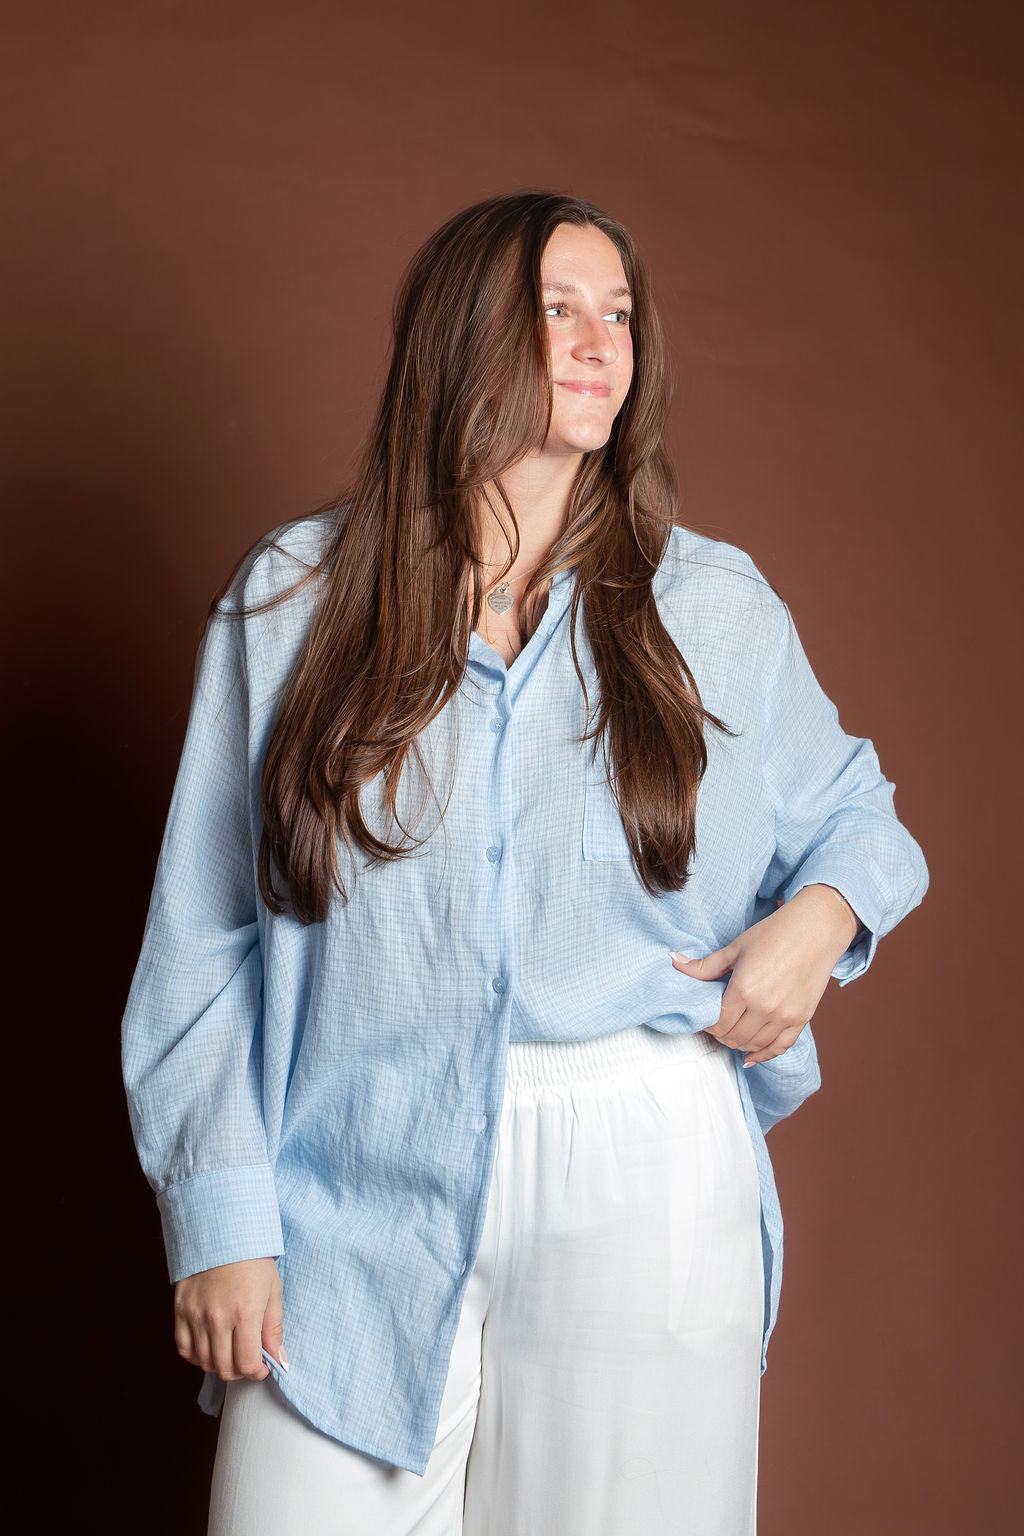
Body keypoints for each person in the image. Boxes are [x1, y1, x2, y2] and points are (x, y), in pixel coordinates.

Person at [121, 189, 929, 1536]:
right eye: (557, 309)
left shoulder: (717, 608)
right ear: (465, 335)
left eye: (618, 312)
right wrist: (220, 1214)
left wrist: (824, 917)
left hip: (645, 1160)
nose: (601, 342)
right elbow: (202, 940)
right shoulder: (294, 599)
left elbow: (862, 815)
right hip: (353, 1166)